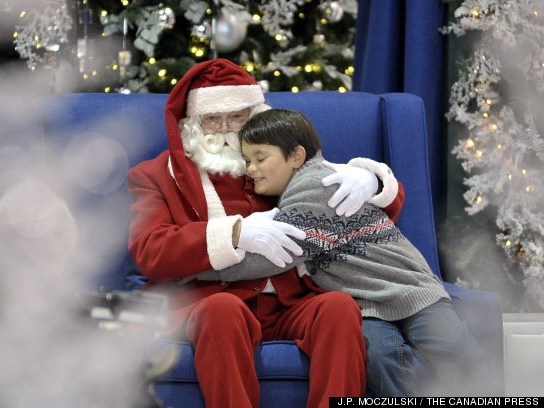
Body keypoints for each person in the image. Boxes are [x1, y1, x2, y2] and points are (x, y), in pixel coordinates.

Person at [127, 59, 406, 406]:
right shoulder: (155, 176)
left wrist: (370, 181)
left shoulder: (275, 161)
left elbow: (363, 211)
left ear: (256, 116)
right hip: (211, 300)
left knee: (337, 307)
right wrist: (234, 233)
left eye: (237, 117)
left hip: (290, 300)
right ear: (192, 124)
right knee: (222, 311)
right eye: (212, 119)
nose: (225, 129)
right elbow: (150, 251)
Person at [197, 108, 491, 397]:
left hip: (409, 289)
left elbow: (276, 255)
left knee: (456, 352)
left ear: (297, 156)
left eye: (260, 158)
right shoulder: (303, 185)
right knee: (381, 355)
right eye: (247, 160)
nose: (250, 169)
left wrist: (202, 267)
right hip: (365, 306)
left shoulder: (314, 186)